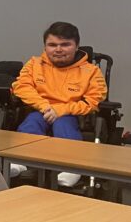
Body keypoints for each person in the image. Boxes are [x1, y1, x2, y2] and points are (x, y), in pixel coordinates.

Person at [10, 21, 106, 187]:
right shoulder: (34, 64)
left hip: (70, 114)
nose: (58, 49)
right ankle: (21, 161)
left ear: (76, 46)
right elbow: (21, 87)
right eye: (52, 45)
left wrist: (60, 110)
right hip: (40, 110)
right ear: (45, 46)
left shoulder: (91, 71)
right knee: (32, 121)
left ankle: (72, 168)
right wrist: (45, 106)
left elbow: (93, 101)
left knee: (63, 123)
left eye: (65, 44)